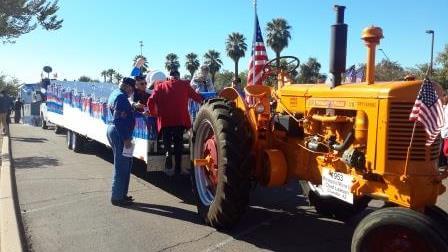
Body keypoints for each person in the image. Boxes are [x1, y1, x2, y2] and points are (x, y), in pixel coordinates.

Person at [148, 70, 203, 175]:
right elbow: (196, 97)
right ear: (178, 76)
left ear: (169, 77)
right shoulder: (184, 85)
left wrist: (154, 114)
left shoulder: (160, 86)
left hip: (165, 120)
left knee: (167, 141)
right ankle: (178, 167)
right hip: (180, 119)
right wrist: (204, 101)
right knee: (178, 143)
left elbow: (150, 101)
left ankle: (168, 153)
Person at [107, 77, 136, 206]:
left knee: (125, 164)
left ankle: (121, 194)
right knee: (122, 167)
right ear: (127, 87)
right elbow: (118, 119)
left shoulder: (115, 94)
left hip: (115, 130)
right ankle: (117, 197)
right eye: (132, 89)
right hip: (120, 133)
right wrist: (125, 139)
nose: (132, 92)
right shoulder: (121, 98)